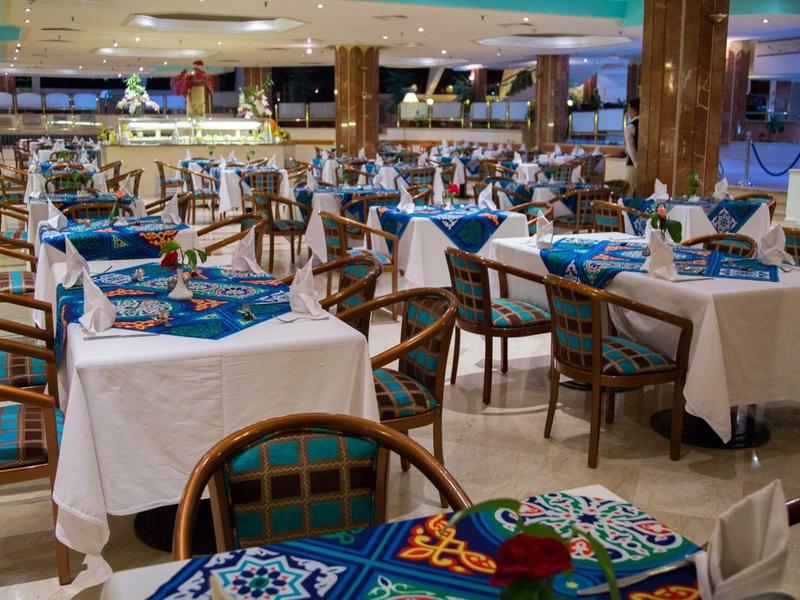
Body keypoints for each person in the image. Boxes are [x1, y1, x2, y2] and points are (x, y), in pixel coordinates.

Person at [624, 98, 639, 195]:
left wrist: (636, 163)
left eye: (628, 109)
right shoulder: (647, 125)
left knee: (629, 193)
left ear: (634, 110)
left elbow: (631, 149)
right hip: (647, 165)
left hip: (633, 166)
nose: (627, 112)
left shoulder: (630, 127)